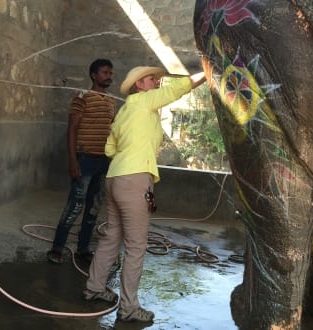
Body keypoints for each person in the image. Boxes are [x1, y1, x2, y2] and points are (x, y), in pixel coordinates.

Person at [82, 66, 206, 323]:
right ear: (139, 85)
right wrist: (207, 72)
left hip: (115, 177)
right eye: (153, 79)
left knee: (111, 238)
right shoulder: (145, 101)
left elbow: (109, 148)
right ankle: (128, 308)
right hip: (135, 179)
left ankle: (94, 288)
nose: (157, 82)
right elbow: (181, 88)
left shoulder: (125, 110)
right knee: (136, 246)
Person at [47, 59, 116, 264]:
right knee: (74, 206)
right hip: (84, 160)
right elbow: (72, 130)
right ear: (94, 75)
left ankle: (83, 249)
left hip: (104, 161)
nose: (109, 76)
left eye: (110, 73)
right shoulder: (82, 97)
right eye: (104, 72)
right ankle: (57, 248)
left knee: (93, 207)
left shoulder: (112, 101)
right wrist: (73, 161)